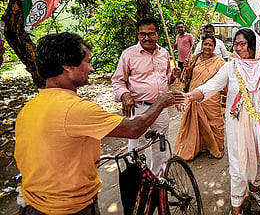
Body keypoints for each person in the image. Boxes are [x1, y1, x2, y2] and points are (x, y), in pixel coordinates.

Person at [14, 32, 180, 214]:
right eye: (87, 62)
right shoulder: (76, 109)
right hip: (69, 208)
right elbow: (134, 129)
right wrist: (161, 102)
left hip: (31, 204)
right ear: (67, 66)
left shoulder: (29, 108)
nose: (91, 69)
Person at [181, 28, 260, 215]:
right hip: (238, 124)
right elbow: (211, 86)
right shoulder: (231, 67)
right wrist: (189, 96)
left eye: (242, 44)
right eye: (236, 44)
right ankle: (236, 206)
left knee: (258, 154)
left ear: (253, 45)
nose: (238, 49)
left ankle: (255, 188)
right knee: (239, 163)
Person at [112, 17, 181, 175]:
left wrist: (173, 75)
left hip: (161, 109)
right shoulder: (128, 54)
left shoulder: (163, 53)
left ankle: (158, 183)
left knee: (161, 146)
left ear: (158, 35)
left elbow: (166, 78)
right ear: (137, 35)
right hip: (138, 109)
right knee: (136, 148)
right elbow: (117, 81)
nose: (146, 38)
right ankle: (139, 184)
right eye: (142, 34)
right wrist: (125, 95)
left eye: (151, 34)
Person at [174, 35, 226, 160]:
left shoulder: (220, 62)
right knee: (193, 123)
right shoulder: (195, 58)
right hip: (194, 96)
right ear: (201, 45)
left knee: (215, 123)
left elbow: (224, 81)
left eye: (210, 45)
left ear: (214, 47)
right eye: (205, 44)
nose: (207, 47)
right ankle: (195, 147)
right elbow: (188, 77)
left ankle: (216, 148)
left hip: (212, 99)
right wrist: (186, 69)